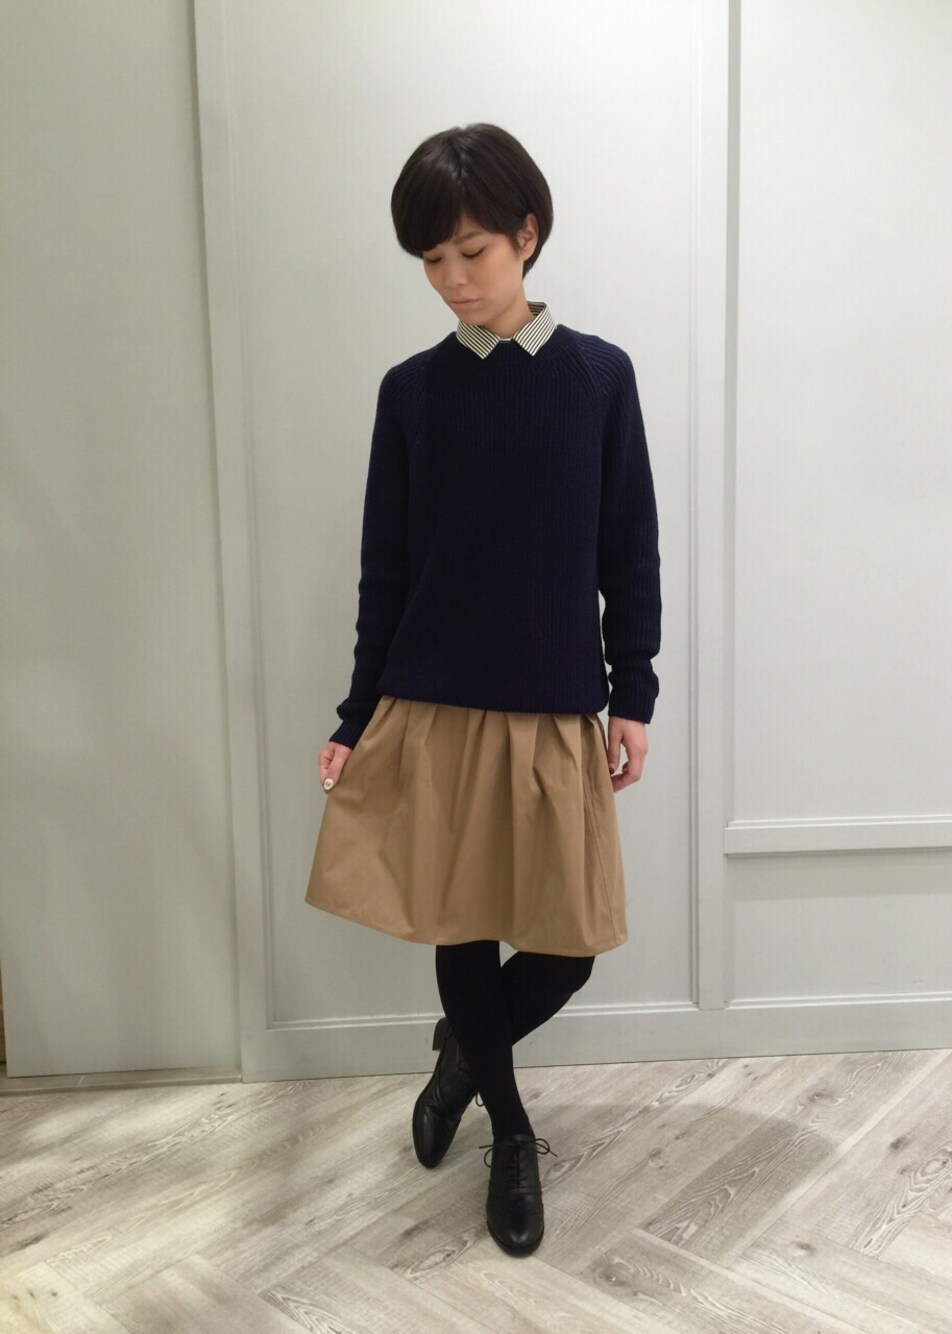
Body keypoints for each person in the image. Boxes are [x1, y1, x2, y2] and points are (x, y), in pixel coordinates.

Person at [306, 123, 661, 1257]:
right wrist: (356, 715)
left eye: (472, 252)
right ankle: (509, 1131)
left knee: (568, 944)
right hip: (435, 707)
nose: (453, 279)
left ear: (528, 234)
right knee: (459, 927)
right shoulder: (412, 393)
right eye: (431, 260)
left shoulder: (599, 378)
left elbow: (628, 552)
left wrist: (635, 691)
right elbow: (387, 568)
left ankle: (465, 1049)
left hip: (554, 705)